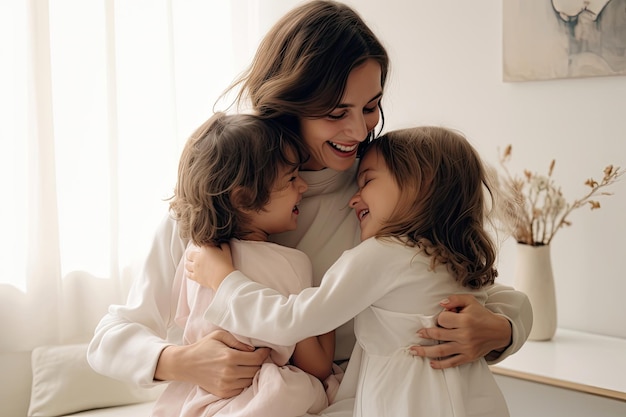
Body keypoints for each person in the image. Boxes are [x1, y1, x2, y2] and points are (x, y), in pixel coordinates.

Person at [88, 0, 532, 412]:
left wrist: (501, 331)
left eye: (372, 107)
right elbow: (110, 338)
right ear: (288, 104)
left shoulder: (374, 198)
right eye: (336, 113)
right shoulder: (214, 202)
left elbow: (477, 289)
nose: (359, 131)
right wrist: (181, 361)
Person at [187, 126, 511, 417]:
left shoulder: (380, 255)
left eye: (367, 181)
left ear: (421, 185)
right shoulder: (454, 260)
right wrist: (506, 327)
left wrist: (224, 280)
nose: (354, 198)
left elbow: (291, 320)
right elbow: (512, 301)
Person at [152, 112, 341, 417]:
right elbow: (317, 365)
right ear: (243, 198)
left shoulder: (196, 254)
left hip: (201, 397)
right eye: (291, 178)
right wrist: (328, 307)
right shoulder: (289, 264)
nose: (304, 186)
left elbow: (184, 318)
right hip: (262, 396)